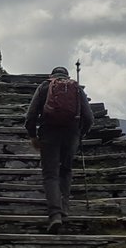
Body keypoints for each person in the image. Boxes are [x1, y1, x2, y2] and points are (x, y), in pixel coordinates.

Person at [24, 66, 93, 233]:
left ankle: (55, 215)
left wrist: (33, 136)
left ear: (52, 75)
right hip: (71, 134)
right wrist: (80, 133)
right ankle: (65, 209)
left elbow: (30, 116)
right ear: (67, 76)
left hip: (49, 133)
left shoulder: (45, 86)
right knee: (66, 170)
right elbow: (89, 118)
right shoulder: (75, 88)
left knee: (50, 174)